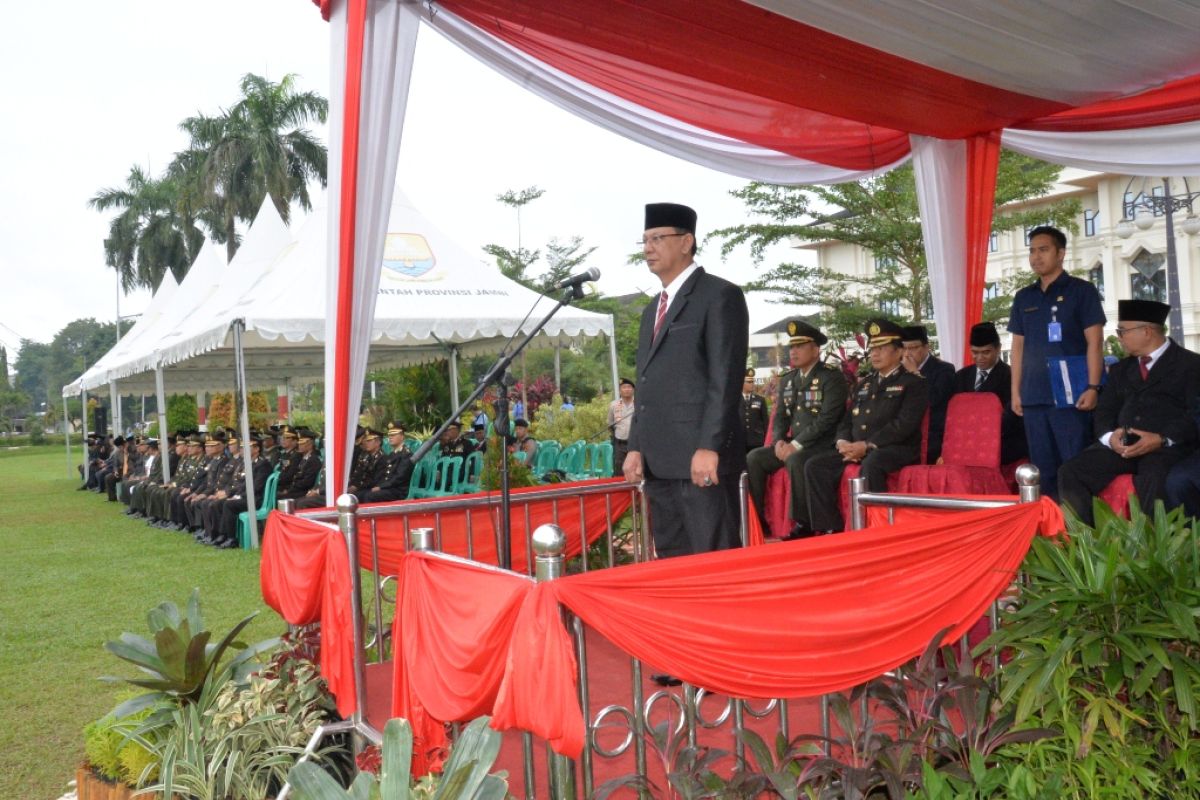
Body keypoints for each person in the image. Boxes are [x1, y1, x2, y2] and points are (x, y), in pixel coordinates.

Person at [623, 201, 749, 559]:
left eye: (658, 238)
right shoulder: (651, 310)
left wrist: (710, 446)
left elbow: (725, 378)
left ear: (686, 241)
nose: (648, 248)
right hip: (659, 461)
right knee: (673, 558)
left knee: (713, 559)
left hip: (701, 459)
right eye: (644, 240)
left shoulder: (718, 296)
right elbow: (645, 384)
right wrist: (636, 445)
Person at [1058, 300, 1200, 526]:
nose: (1118, 337)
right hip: (1121, 446)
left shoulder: (1191, 365)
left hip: (1164, 449)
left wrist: (1161, 439)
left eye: (1122, 331)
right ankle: (1085, 545)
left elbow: (1194, 415)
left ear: (1147, 331)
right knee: (1072, 472)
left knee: (1156, 481)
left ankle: (1153, 554)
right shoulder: (1120, 369)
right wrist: (1109, 437)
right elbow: (1104, 410)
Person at [804, 319, 929, 533]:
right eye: (872, 349)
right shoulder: (864, 384)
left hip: (895, 448)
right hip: (858, 447)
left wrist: (868, 444)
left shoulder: (913, 383)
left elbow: (903, 425)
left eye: (882, 348)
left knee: (872, 464)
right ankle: (830, 529)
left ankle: (875, 528)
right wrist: (843, 442)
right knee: (815, 465)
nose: (875, 354)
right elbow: (845, 419)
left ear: (899, 352)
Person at [1009, 225, 1105, 498]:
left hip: (1071, 396)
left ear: (1061, 253)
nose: (1036, 257)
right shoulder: (1023, 296)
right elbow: (1017, 348)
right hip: (1034, 396)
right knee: (1042, 471)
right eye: (1032, 251)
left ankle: (1079, 534)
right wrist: (1015, 392)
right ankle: (1051, 535)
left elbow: (1095, 342)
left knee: (1073, 466)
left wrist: (1093, 386)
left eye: (1043, 250)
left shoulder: (1081, 291)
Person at [746, 320, 848, 539]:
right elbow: (780, 415)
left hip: (821, 445)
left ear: (815, 349)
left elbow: (827, 419)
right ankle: (758, 521)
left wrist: (795, 445)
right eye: (792, 347)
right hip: (793, 443)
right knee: (755, 458)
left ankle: (804, 523)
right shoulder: (789, 380)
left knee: (796, 459)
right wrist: (779, 442)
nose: (794, 351)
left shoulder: (831, 377)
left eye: (800, 346)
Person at [950, 322, 1027, 464]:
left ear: (998, 349)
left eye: (986, 352)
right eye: (975, 352)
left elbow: (1011, 417)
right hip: (965, 441)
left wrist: (980, 434)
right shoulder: (961, 376)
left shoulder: (1011, 376)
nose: (979, 358)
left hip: (1001, 440)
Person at [900, 325, 954, 463]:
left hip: (933, 434)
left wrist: (915, 374)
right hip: (905, 431)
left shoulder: (944, 369)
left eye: (912, 348)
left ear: (926, 347)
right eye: (904, 348)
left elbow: (933, 400)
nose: (907, 353)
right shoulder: (900, 371)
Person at [360, 421, 416, 504]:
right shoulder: (392, 454)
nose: (390, 437)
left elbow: (399, 477)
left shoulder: (406, 454)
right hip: (390, 488)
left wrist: (381, 487)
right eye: (389, 435)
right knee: (362, 494)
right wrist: (378, 486)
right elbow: (385, 475)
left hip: (398, 491)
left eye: (393, 435)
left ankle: (373, 517)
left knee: (369, 496)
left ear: (402, 436)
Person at [608, 378, 636, 477]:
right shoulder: (614, 405)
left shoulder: (638, 404)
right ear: (620, 391)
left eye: (629, 387)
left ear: (633, 390)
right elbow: (610, 423)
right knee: (619, 468)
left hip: (636, 443)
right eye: (624, 387)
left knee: (636, 468)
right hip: (620, 443)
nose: (627, 389)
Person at [741, 369, 769, 453]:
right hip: (740, 440)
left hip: (757, 441)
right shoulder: (735, 400)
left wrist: (767, 439)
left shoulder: (760, 400)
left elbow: (765, 421)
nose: (752, 384)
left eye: (753, 382)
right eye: (749, 382)